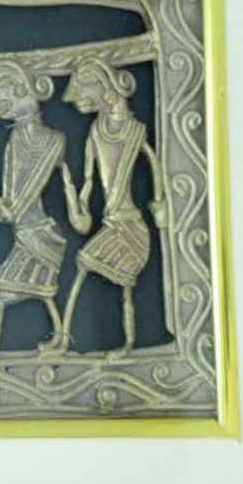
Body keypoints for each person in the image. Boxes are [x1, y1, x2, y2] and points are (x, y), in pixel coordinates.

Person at [56, 55, 165, 353]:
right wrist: (81, 201)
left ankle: (127, 343)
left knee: (120, 282)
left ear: (104, 89)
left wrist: (160, 202)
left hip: (131, 226)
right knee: (85, 265)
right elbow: (89, 177)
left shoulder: (133, 131)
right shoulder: (96, 131)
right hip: (111, 222)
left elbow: (152, 162)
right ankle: (63, 338)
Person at [0, 57, 67, 354]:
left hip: (37, 231)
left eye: (0, 101)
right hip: (31, 229)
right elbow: (13, 200)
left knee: (10, 288)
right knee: (32, 291)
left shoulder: (50, 141)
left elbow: (14, 207)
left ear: (21, 90)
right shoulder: (18, 138)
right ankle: (55, 339)